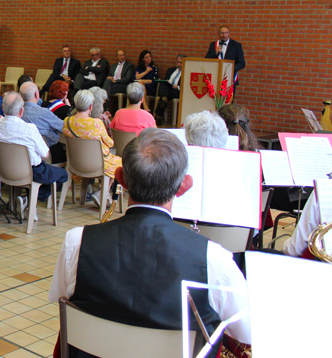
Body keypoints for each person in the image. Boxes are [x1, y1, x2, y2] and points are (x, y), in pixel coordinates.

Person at [48, 128, 251, 356]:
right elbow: (247, 333)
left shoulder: (76, 242)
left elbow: (62, 302)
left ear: (121, 179)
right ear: (184, 186)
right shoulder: (214, 259)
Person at [0, 92, 69, 205]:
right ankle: (28, 199)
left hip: (3, 169)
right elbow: (45, 154)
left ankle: (24, 200)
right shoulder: (29, 129)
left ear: (2, 108)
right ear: (21, 111)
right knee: (62, 174)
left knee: (49, 173)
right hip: (31, 172)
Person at [63, 90, 122, 206]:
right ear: (91, 106)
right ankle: (102, 193)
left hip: (76, 163)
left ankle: (102, 194)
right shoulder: (96, 123)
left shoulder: (67, 121)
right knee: (119, 163)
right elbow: (110, 143)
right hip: (97, 164)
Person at [19, 81, 65, 163]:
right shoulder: (44, 113)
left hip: (23, 155)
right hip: (48, 154)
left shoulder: (17, 112)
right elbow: (63, 127)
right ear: (37, 94)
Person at [205, 25, 245, 90]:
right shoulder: (213, 45)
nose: (224, 35)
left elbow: (242, 63)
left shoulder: (236, 45)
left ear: (229, 33)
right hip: (215, 77)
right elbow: (207, 60)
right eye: (222, 33)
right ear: (218, 34)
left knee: (229, 100)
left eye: (226, 33)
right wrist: (215, 53)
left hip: (230, 78)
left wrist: (229, 70)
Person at [155, 54, 185, 118]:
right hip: (168, 88)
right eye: (177, 62)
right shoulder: (170, 70)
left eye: (181, 63)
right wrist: (167, 81)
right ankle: (164, 99)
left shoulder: (186, 72)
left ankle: (163, 102)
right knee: (163, 83)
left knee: (163, 95)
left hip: (177, 90)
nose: (179, 64)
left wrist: (178, 87)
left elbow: (186, 85)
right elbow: (166, 79)